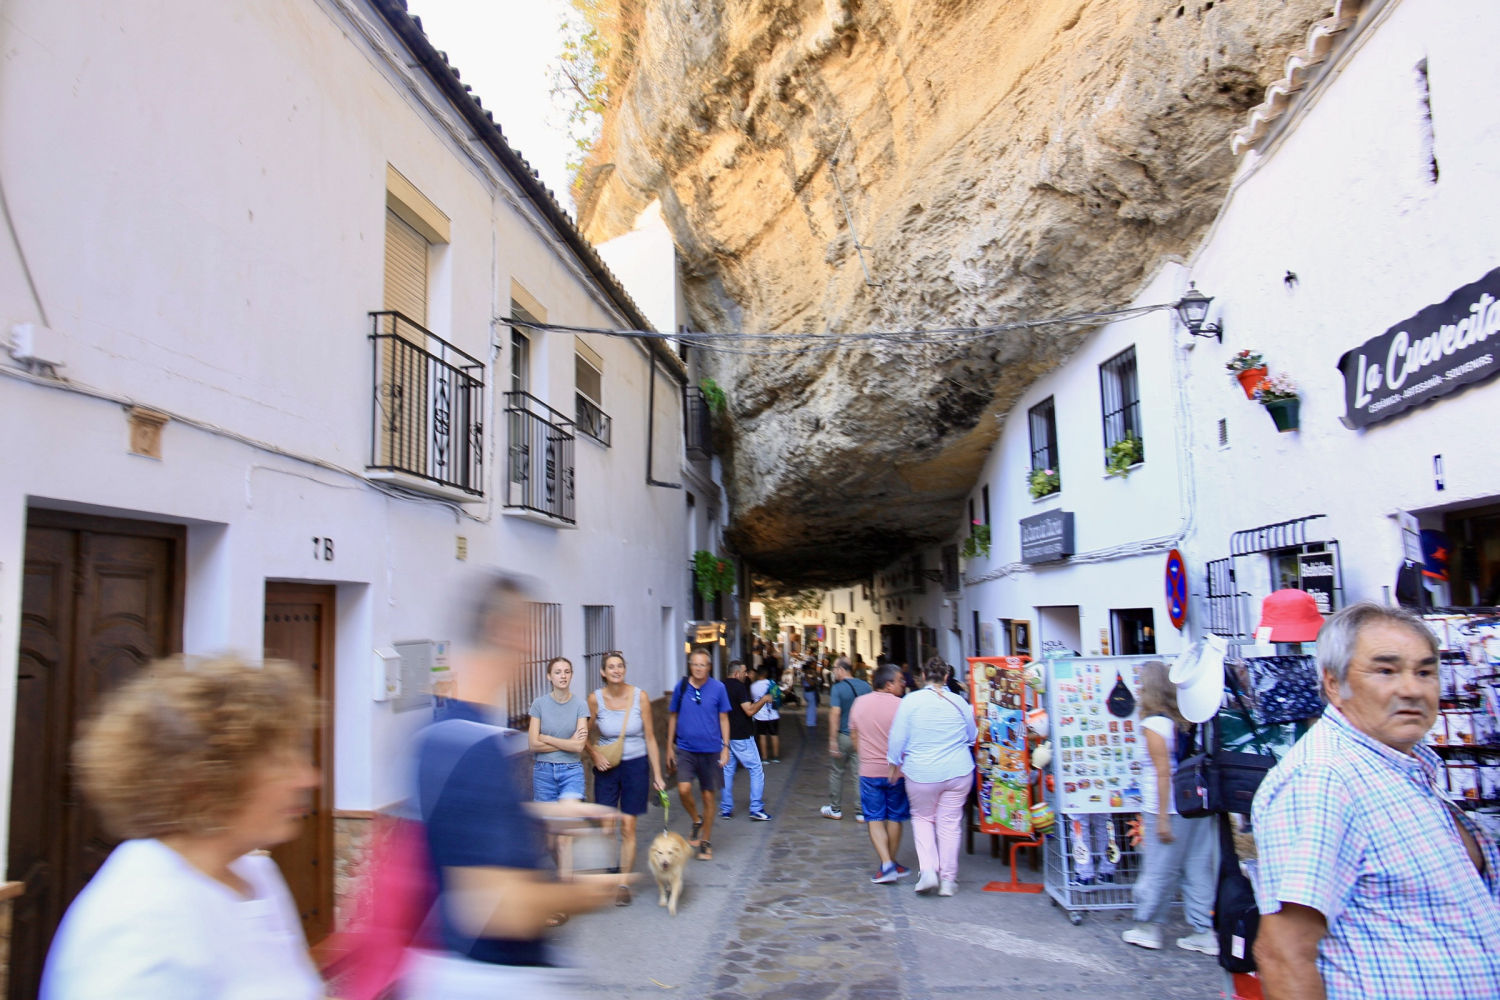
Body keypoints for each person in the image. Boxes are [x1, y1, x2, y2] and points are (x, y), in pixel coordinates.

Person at [1253, 602, 1500, 999]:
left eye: (1424, 672)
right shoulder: (1325, 779)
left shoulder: (1404, 766)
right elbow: (1283, 952)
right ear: (1334, 685)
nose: (1412, 689)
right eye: (1386, 670)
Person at [40, 656, 325, 999]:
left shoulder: (258, 876)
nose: (308, 778)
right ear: (206, 780)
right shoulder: (139, 926)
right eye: (281, 761)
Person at [407, 574, 621, 997]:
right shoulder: (471, 748)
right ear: (503, 631)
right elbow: (500, 907)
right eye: (527, 631)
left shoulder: (443, 732)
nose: (531, 647)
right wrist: (594, 891)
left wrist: (545, 813)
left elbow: (463, 828)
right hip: (488, 976)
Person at [1120, 660, 1216, 954]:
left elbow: (1163, 773)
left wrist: (1161, 818)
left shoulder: (1153, 725)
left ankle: (1148, 926)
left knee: (1159, 869)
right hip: (1196, 803)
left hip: (1169, 806)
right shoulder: (1185, 721)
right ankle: (1204, 929)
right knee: (1197, 867)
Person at [887, 657, 976, 897]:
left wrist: (894, 763)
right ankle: (948, 880)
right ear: (947, 677)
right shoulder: (959, 701)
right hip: (958, 771)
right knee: (949, 824)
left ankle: (928, 871)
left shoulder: (911, 701)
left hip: (922, 772)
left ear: (924, 676)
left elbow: (898, 736)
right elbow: (972, 735)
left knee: (923, 818)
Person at [586, 651, 665, 907]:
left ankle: (622, 885)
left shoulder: (640, 697)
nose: (616, 670)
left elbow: (650, 737)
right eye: (611, 667)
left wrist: (658, 775)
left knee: (628, 827)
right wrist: (594, 754)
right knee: (608, 827)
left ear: (624, 669)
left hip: (635, 765)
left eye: (620, 666)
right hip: (607, 766)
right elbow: (582, 734)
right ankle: (613, 866)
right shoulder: (594, 699)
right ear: (603, 672)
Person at [666, 648, 731, 861]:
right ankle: (696, 819)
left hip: (711, 750)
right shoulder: (681, 687)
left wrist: (726, 746)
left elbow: (723, 718)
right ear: (690, 665)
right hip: (686, 749)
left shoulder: (719, 688)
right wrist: (669, 747)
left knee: (708, 796)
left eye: (703, 664)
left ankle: (706, 841)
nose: (699, 668)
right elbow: (673, 717)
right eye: (695, 664)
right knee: (684, 790)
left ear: (709, 667)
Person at [849, 664, 911, 883]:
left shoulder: (859, 703)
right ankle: (890, 863)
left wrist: (865, 757)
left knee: (874, 817)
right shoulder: (902, 706)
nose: (903, 684)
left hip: (869, 770)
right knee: (895, 817)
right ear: (888, 684)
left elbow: (854, 734)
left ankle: (886, 864)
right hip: (897, 770)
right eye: (900, 680)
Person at [528, 656, 589, 803]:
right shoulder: (539, 704)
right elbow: (533, 745)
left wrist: (546, 738)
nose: (563, 676)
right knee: (547, 822)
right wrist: (569, 743)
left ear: (571, 675)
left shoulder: (581, 705)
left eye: (567, 672)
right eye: (558, 672)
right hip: (543, 772)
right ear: (549, 676)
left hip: (571, 770)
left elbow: (579, 746)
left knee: (570, 818)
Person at [720, 659, 772, 822]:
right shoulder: (739, 687)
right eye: (744, 672)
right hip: (742, 736)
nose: (747, 674)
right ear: (736, 673)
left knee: (727, 772)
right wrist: (763, 700)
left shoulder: (721, 686)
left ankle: (726, 808)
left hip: (726, 736)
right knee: (756, 769)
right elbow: (749, 710)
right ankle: (756, 808)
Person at [822, 657, 872, 820]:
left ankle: (835, 808)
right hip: (861, 737)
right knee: (859, 773)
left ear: (842, 670)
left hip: (844, 735)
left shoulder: (838, 688)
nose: (834, 672)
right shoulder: (866, 686)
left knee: (837, 771)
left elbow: (835, 713)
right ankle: (860, 811)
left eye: (835, 669)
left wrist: (832, 739)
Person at [751, 662, 782, 762]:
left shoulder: (753, 686)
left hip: (760, 715)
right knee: (774, 735)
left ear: (758, 673)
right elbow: (778, 696)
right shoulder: (772, 684)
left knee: (762, 736)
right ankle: (776, 757)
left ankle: (764, 758)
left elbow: (753, 699)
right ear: (766, 673)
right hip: (773, 714)